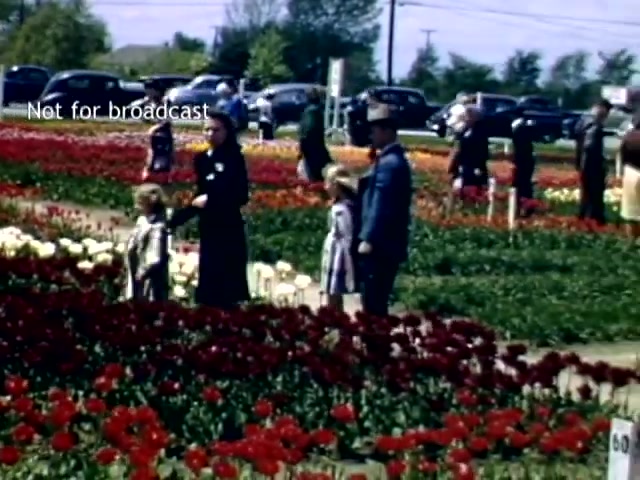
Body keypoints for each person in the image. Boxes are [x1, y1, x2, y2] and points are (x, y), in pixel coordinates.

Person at [168, 110, 250, 309]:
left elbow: (240, 195)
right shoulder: (202, 159)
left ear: (227, 132)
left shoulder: (234, 158)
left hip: (228, 225)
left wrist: (213, 199)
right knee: (209, 273)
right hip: (209, 224)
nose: (210, 134)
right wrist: (176, 220)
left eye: (216, 130)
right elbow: (200, 193)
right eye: (207, 129)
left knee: (227, 278)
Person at [357, 103, 413, 317]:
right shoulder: (392, 159)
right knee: (374, 298)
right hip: (388, 243)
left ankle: (375, 345)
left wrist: (368, 238)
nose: (371, 135)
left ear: (387, 131)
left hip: (382, 244)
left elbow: (382, 203)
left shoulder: (390, 163)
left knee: (374, 299)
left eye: (375, 130)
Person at [320, 164, 359, 312]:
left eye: (328, 183)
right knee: (333, 291)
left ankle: (335, 318)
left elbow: (346, 235)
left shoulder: (342, 210)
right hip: (334, 251)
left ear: (336, 185)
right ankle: (335, 318)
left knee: (334, 291)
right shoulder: (343, 206)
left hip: (338, 254)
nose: (325, 187)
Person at [124, 183, 170, 302]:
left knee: (148, 300)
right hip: (136, 268)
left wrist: (144, 271)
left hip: (147, 276)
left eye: (139, 202)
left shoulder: (158, 226)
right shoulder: (142, 220)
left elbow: (155, 254)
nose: (136, 206)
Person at [575, 99, 612, 224]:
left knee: (585, 196)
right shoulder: (594, 126)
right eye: (606, 112)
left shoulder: (583, 121)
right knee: (594, 196)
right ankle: (594, 221)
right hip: (592, 167)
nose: (606, 116)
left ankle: (583, 219)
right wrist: (601, 162)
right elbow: (589, 147)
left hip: (584, 165)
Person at [141, 79, 174, 186]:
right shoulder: (149, 102)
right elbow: (145, 119)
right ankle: (149, 179)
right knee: (151, 157)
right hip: (154, 137)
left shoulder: (165, 101)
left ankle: (164, 182)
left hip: (164, 136)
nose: (148, 93)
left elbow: (167, 120)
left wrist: (156, 127)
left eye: (150, 90)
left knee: (162, 160)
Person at [447, 106, 489, 188]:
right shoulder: (464, 131)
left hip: (473, 168)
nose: (466, 119)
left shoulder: (479, 133)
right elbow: (457, 149)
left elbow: (482, 153)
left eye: (469, 116)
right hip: (463, 167)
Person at [298, 86, 331, 182]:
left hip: (312, 149)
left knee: (314, 174)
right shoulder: (314, 110)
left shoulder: (312, 111)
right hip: (315, 148)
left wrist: (303, 146)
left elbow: (308, 131)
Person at [511, 111, 537, 216]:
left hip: (523, 160)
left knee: (522, 185)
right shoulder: (523, 127)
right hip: (525, 160)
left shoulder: (519, 128)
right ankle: (524, 206)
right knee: (524, 185)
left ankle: (523, 207)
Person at [619, 114, 640, 240]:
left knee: (630, 213)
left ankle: (631, 241)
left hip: (630, 174)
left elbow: (622, 157)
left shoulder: (628, 137)